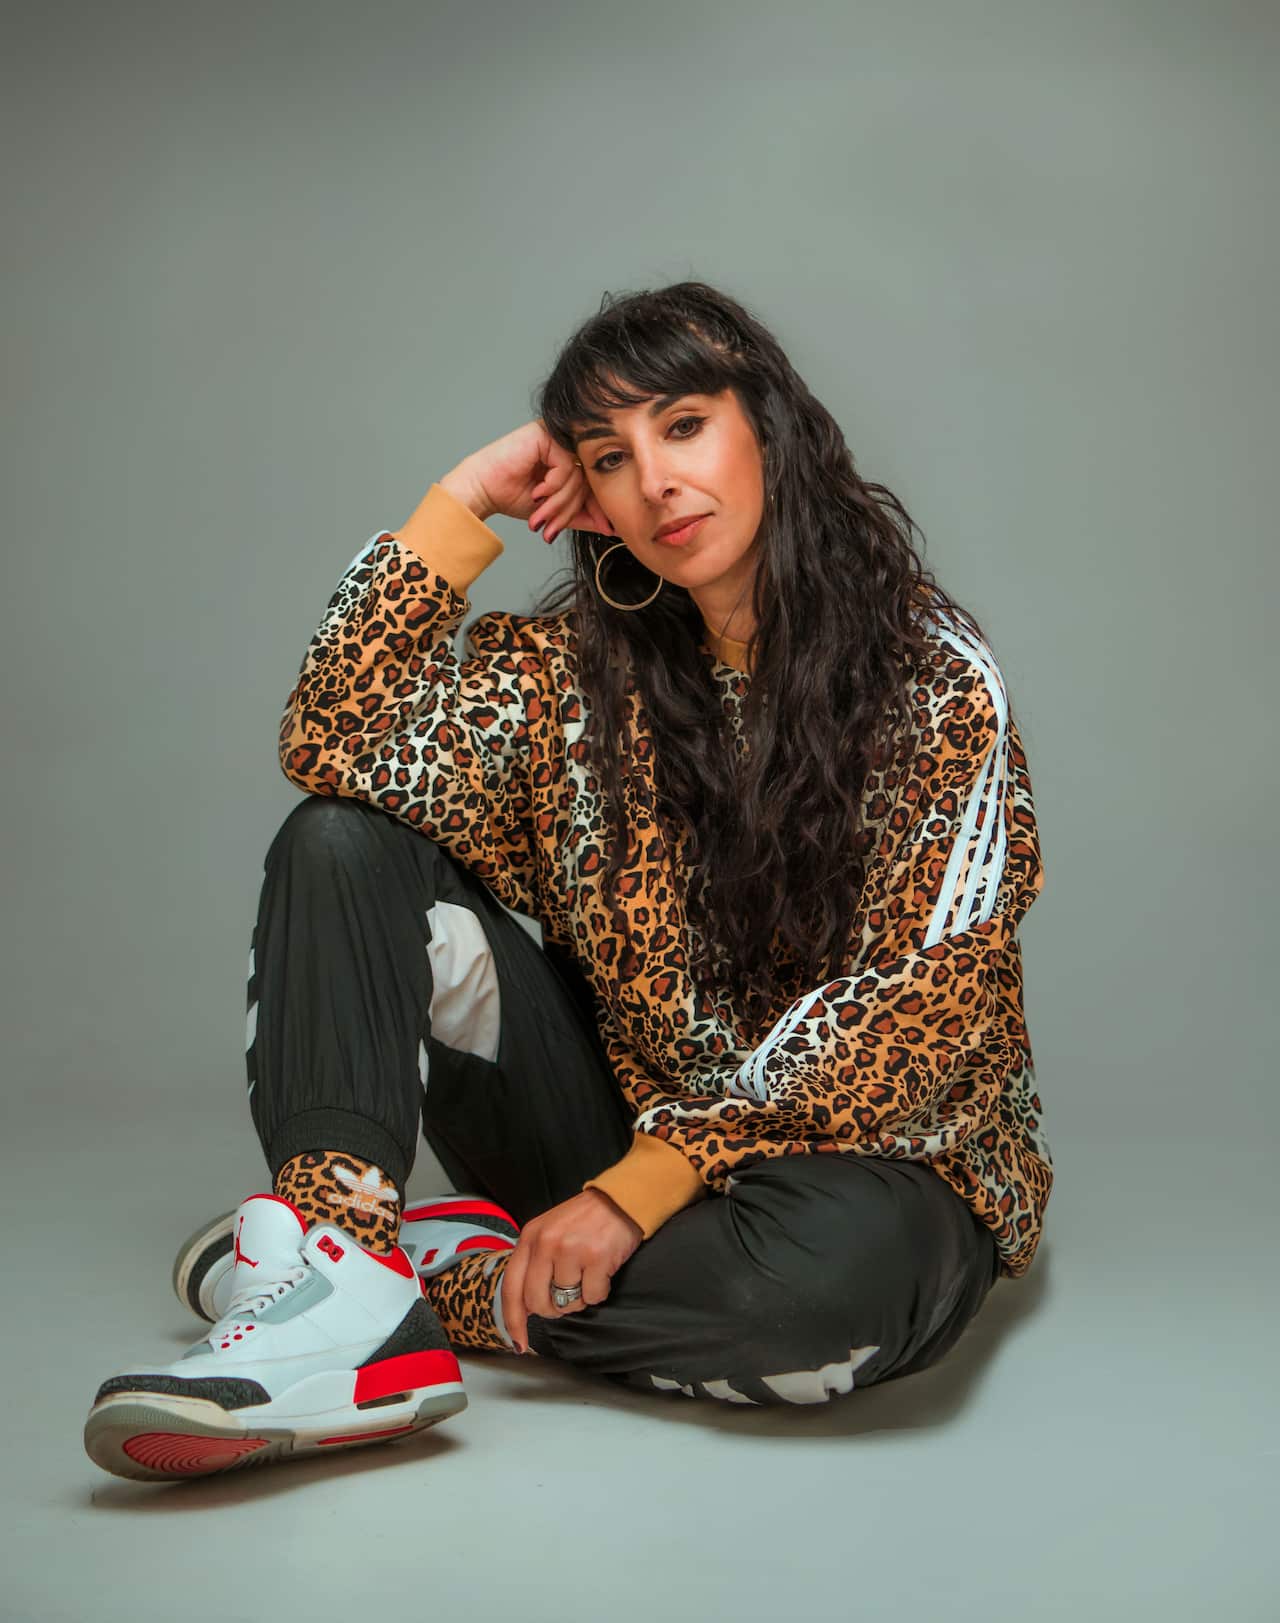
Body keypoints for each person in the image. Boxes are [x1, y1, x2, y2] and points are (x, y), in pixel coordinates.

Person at [84, 281, 1052, 1482]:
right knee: (339, 837)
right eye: (608, 456)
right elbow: (333, 733)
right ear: (587, 500)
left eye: (682, 425)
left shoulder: (931, 679)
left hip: (870, 1157)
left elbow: (920, 999)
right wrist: (463, 500)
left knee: (820, 1310)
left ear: (769, 427)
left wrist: (655, 1182)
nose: (653, 481)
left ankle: (425, 1288)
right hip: (608, 1134)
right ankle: (335, 1283)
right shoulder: (570, 680)